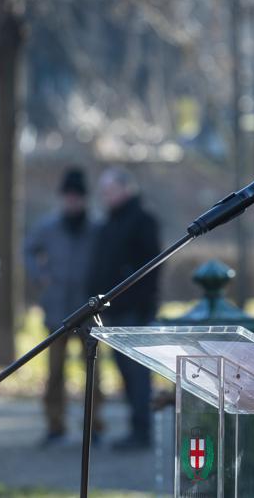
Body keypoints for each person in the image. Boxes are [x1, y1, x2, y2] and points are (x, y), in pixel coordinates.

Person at [24, 168, 104, 446]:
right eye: (68, 197)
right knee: (55, 372)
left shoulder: (97, 228)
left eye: (76, 198)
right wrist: (39, 275)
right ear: (62, 199)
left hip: (89, 313)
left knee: (93, 372)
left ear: (84, 199)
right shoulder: (47, 227)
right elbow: (29, 250)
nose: (72, 202)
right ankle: (54, 425)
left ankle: (95, 426)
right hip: (57, 311)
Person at [87, 167, 161, 450]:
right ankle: (135, 428)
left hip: (135, 312)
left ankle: (142, 430)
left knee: (137, 374)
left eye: (110, 190)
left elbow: (151, 269)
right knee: (125, 373)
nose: (105, 196)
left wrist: (141, 306)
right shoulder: (108, 223)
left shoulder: (143, 221)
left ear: (125, 189)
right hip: (113, 312)